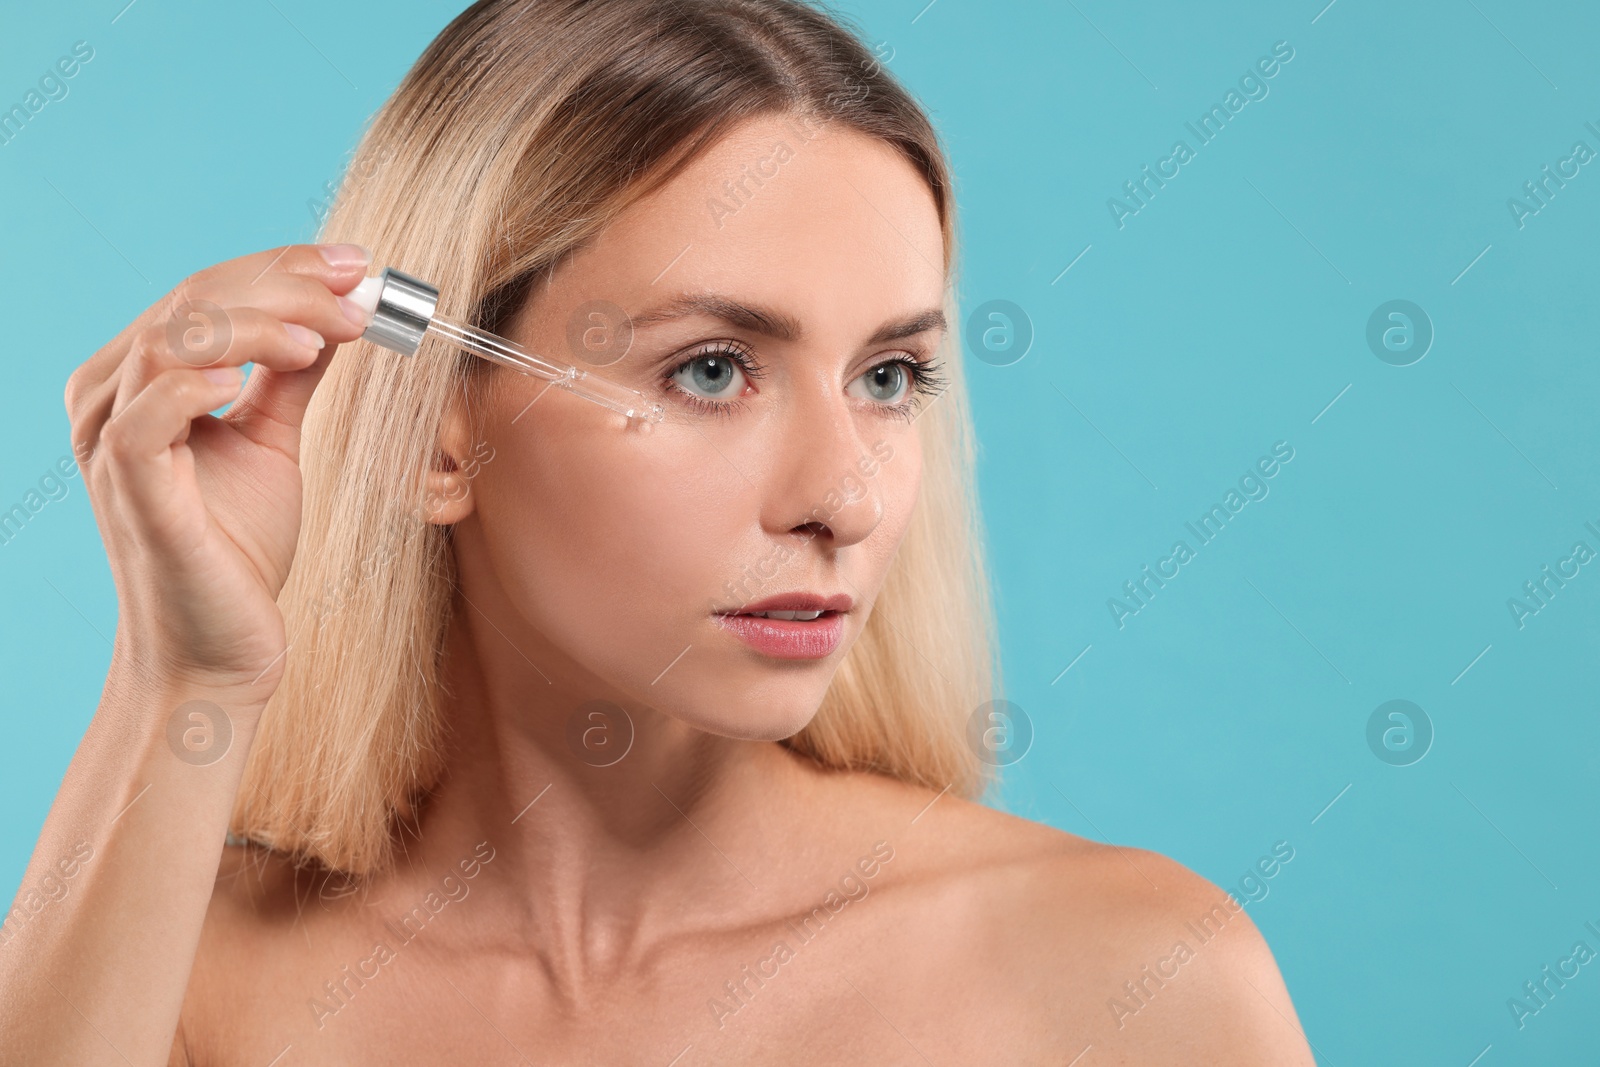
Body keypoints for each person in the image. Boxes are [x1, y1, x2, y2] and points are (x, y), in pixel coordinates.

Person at [1, 0, 1316, 1062]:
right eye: (711, 370)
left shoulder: (1129, 982)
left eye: (889, 377)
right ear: (435, 430)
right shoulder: (177, 987)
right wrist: (184, 677)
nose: (845, 500)